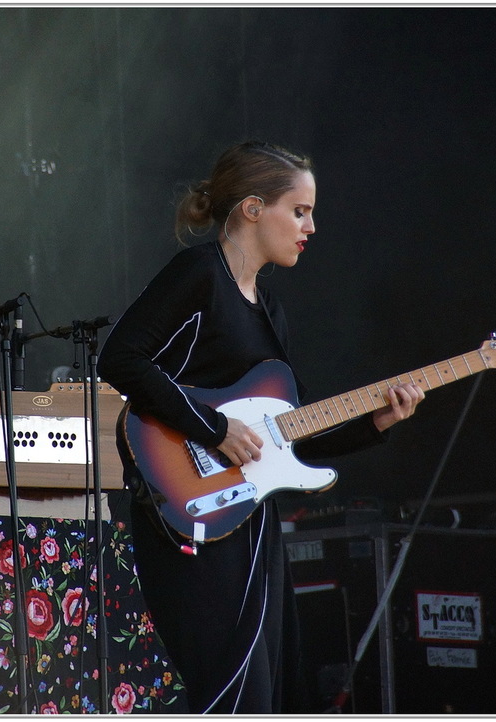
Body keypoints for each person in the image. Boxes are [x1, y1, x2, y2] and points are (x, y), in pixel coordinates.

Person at [96, 140, 424, 713]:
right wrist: (213, 428)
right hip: (189, 505)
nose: (311, 227)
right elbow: (121, 358)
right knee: (228, 685)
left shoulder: (270, 312)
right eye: (299, 211)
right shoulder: (199, 273)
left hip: (249, 515)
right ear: (252, 208)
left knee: (266, 683)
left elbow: (291, 431)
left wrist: (376, 421)